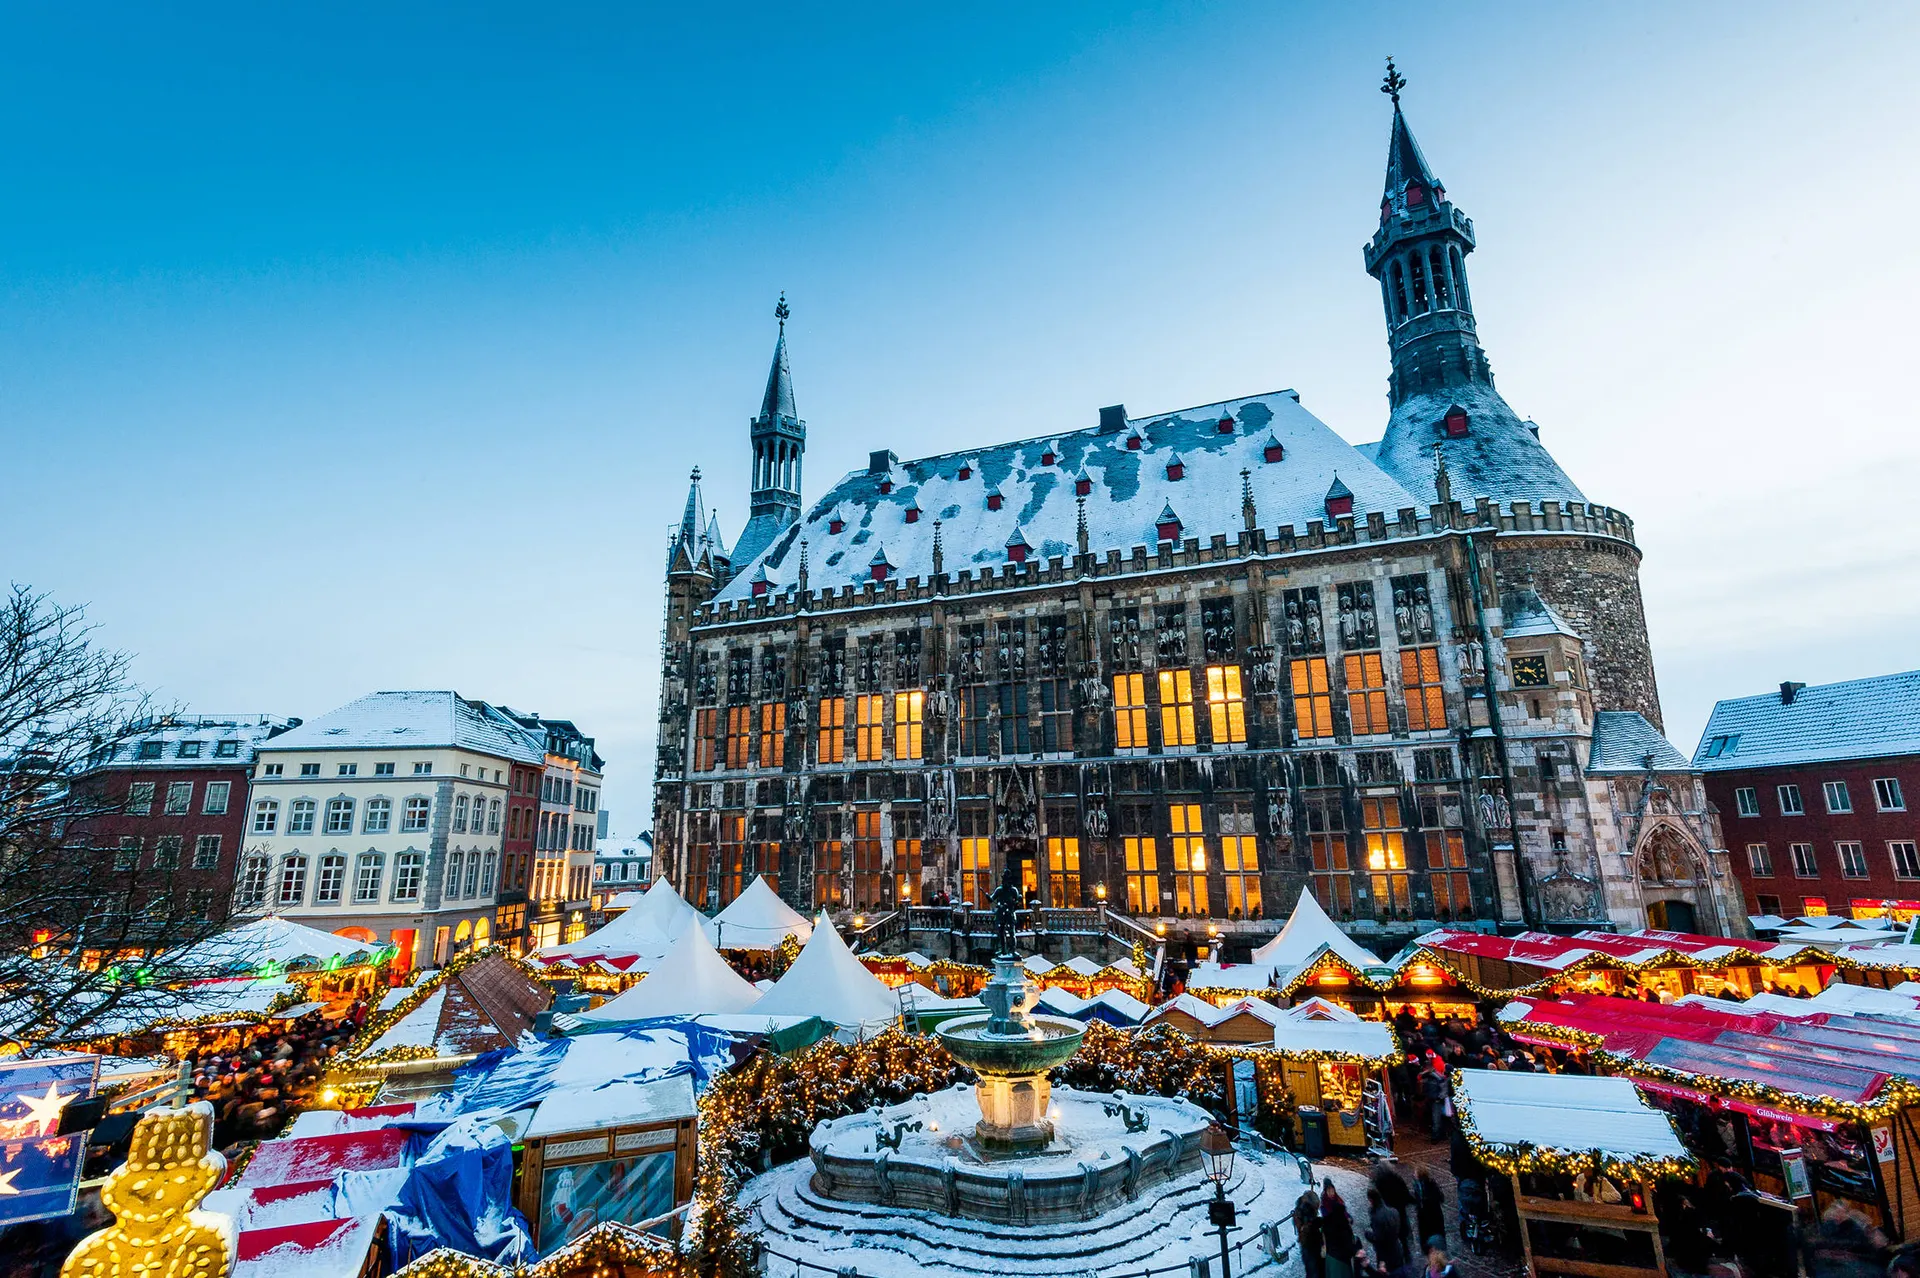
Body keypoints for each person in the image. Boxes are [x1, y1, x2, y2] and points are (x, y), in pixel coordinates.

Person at [1367, 1186, 1409, 1278]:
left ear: (1371, 1200)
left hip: (1385, 1256)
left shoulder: (1377, 1217)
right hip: (1397, 1251)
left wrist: (1368, 1235)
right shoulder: (1394, 1211)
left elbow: (1378, 1238)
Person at [1321, 1181, 1357, 1278]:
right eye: (1329, 1190)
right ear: (1325, 1191)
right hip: (1334, 1248)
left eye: (1332, 1190)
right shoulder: (1325, 1204)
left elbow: (1344, 1212)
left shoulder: (1338, 1200)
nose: (1331, 1192)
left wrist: (1349, 1218)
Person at [1294, 1189, 1326, 1278]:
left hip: (1311, 1245)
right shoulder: (1304, 1213)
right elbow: (1305, 1230)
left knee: (1314, 1269)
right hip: (1309, 1246)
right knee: (1314, 1270)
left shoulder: (1303, 1209)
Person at [1414, 1168, 1446, 1252]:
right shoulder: (1417, 1185)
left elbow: (1439, 1198)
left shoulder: (1430, 1186)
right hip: (1424, 1217)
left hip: (1432, 1216)